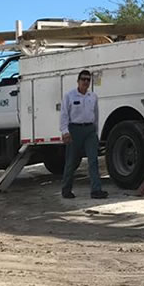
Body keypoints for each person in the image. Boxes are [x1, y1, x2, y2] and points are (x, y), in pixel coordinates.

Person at [60, 69, 107, 199]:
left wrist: (96, 132)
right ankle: (66, 189)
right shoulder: (69, 96)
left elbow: (96, 115)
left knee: (93, 160)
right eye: (83, 79)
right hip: (74, 130)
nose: (86, 82)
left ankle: (96, 190)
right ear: (78, 81)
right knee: (72, 161)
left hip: (89, 130)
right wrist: (65, 131)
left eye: (88, 80)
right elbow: (64, 115)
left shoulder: (93, 97)